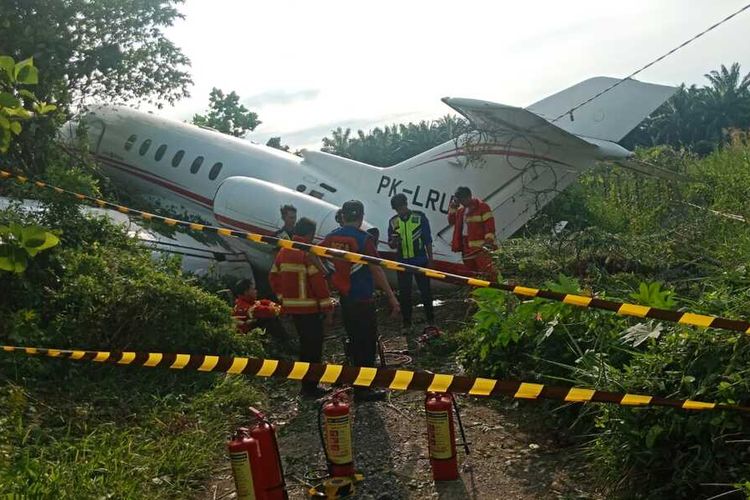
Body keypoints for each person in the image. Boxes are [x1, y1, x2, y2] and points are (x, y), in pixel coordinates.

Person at [322, 200, 400, 402]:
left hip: (346, 299)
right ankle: (364, 390)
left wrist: (329, 275)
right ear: (361, 216)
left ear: (344, 215)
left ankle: (358, 384)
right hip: (363, 300)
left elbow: (312, 253)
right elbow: (376, 269)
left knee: (354, 341)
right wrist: (392, 297)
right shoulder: (364, 239)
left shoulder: (331, 237)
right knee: (366, 344)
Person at [269, 217, 334, 398]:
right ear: (310, 234)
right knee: (313, 350)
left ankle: (306, 386)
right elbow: (318, 285)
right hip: (310, 310)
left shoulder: (283, 251)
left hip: (294, 310)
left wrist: (284, 298)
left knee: (304, 347)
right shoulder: (306, 253)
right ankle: (310, 388)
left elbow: (273, 277)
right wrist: (328, 309)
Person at [388, 193, 435, 332]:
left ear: (406, 204)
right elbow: (391, 244)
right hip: (402, 262)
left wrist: (431, 259)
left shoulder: (419, 217)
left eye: (401, 207)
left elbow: (428, 240)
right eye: (397, 209)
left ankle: (431, 321)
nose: (400, 211)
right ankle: (407, 323)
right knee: (404, 294)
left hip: (420, 260)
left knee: (426, 292)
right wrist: (394, 242)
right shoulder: (393, 221)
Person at [447, 186, 496, 277]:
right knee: (472, 274)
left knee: (487, 272)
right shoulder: (461, 210)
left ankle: (491, 289)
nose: (461, 202)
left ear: (468, 197)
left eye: (462, 199)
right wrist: (453, 207)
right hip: (466, 247)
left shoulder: (482, 207)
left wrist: (488, 243)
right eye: (459, 200)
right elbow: (451, 221)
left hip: (481, 248)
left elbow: (489, 226)